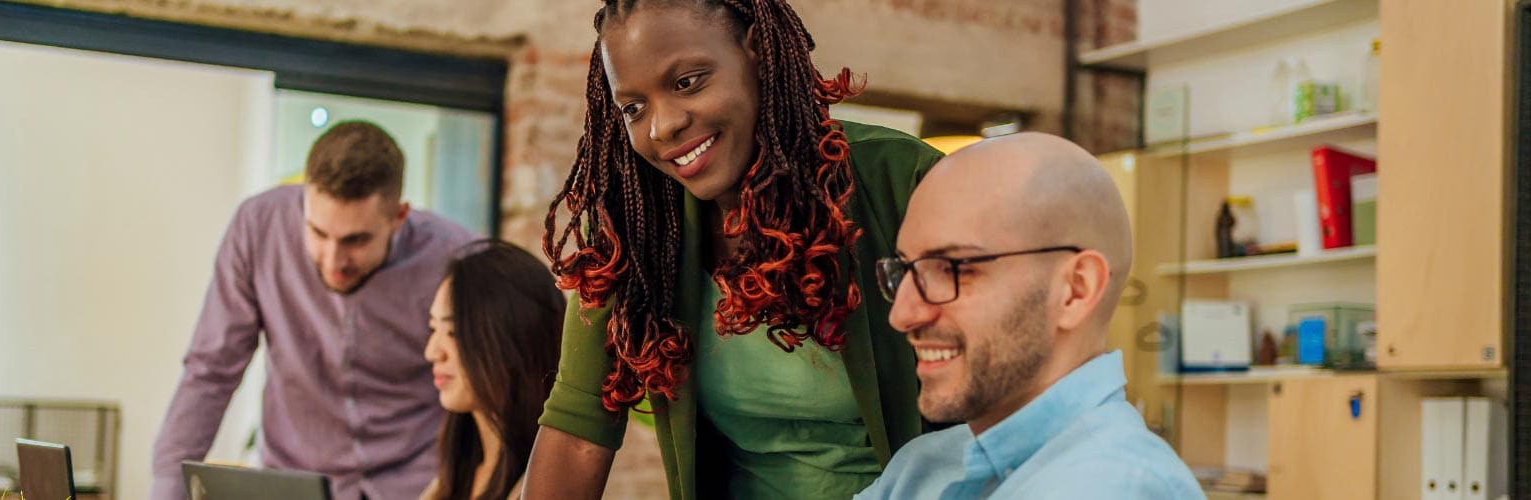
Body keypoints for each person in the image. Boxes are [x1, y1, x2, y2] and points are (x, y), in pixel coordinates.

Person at [526, 1, 948, 498]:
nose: (663, 127)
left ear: (756, 51)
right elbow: (576, 430)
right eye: (634, 109)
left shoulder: (905, 182)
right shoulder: (633, 233)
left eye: (687, 82)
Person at [857, 132, 1204, 499]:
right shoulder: (919, 468)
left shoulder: (1115, 485)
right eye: (904, 271)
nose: (902, 315)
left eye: (952, 268)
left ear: (1075, 290)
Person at [151, 121, 477, 500]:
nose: (333, 260)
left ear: (399, 217)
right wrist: (166, 490)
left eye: (356, 240)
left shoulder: (456, 258)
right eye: (318, 233)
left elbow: (486, 390)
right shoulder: (257, 228)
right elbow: (210, 372)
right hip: (293, 482)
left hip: (418, 485)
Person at [420, 240, 565, 500]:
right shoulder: (453, 477)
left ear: (512, 341)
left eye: (453, 332)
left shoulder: (540, 488)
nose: (432, 352)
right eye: (433, 329)